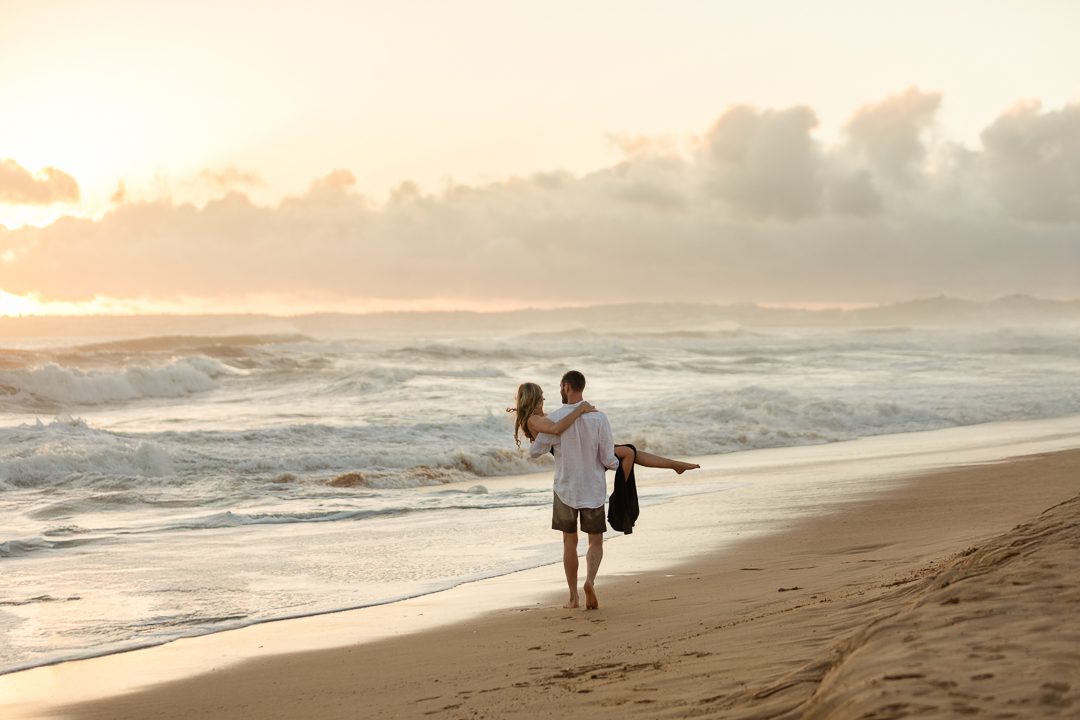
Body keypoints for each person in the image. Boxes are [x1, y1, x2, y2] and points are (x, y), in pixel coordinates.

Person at [512, 371, 699, 610]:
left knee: (569, 542)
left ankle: (573, 598)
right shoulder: (598, 418)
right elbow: (608, 460)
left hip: (565, 488)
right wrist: (618, 464)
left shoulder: (554, 419)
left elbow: (537, 451)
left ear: (566, 387)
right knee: (595, 541)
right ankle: (589, 581)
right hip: (593, 488)